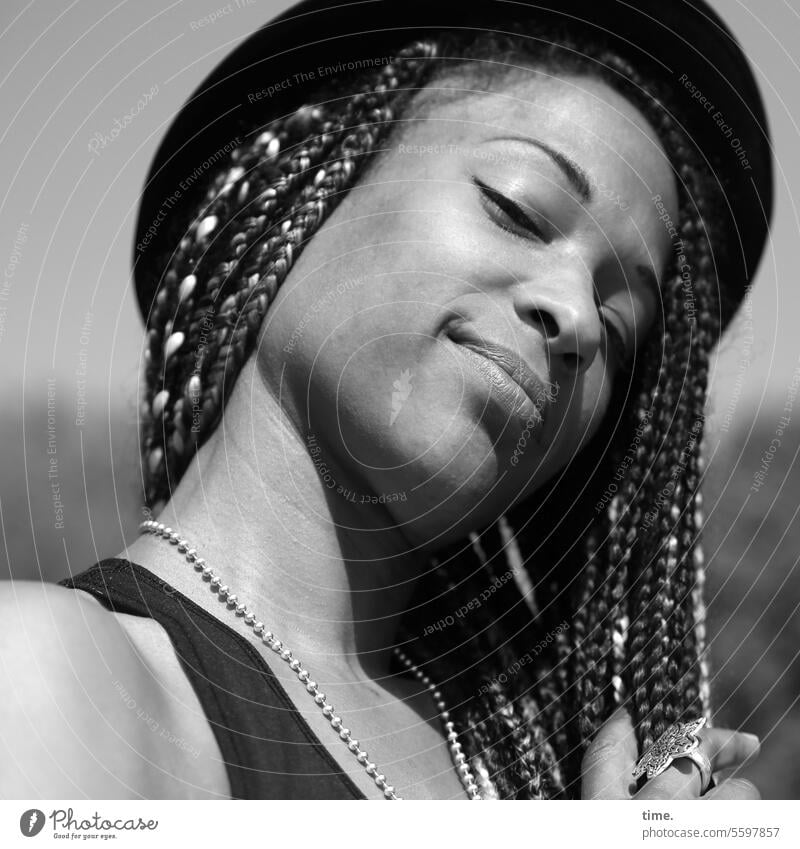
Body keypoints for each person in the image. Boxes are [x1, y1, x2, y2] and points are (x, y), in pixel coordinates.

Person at [1, 1, 772, 800]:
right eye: (518, 209)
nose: (576, 314)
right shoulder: (53, 677)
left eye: (618, 327)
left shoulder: (554, 772)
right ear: (306, 190)